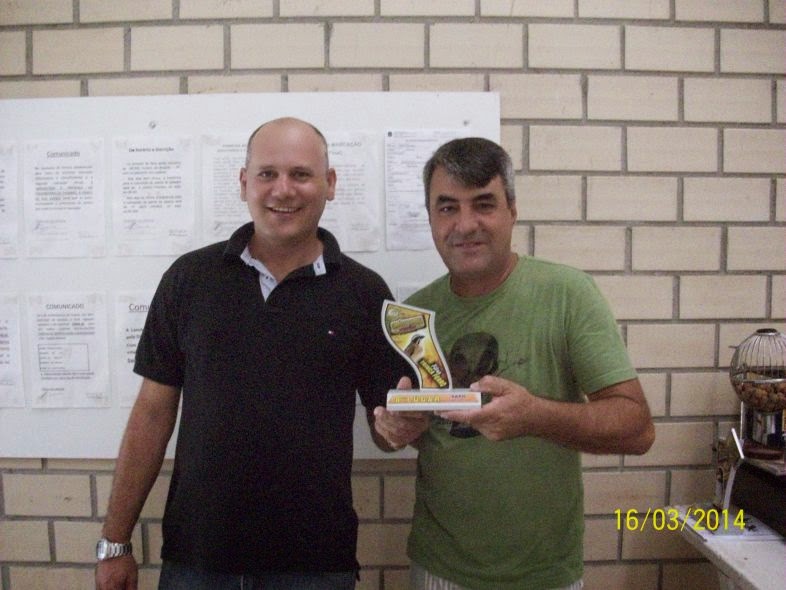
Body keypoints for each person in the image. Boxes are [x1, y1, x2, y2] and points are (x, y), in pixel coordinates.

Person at [96, 117, 409, 590]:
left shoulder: (364, 293)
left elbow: (386, 429)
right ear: (244, 183)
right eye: (267, 174)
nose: (283, 189)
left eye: (301, 174)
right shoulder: (189, 280)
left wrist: (399, 430)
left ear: (330, 184)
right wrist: (115, 542)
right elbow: (152, 415)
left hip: (315, 565)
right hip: (198, 561)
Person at [373, 137, 655, 590]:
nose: (465, 224)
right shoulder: (414, 316)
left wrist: (535, 416)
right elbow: (396, 433)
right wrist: (396, 430)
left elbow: (637, 429)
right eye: (447, 208)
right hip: (438, 568)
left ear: (512, 210)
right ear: (430, 217)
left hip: (543, 575)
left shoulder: (568, 295)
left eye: (483, 204)